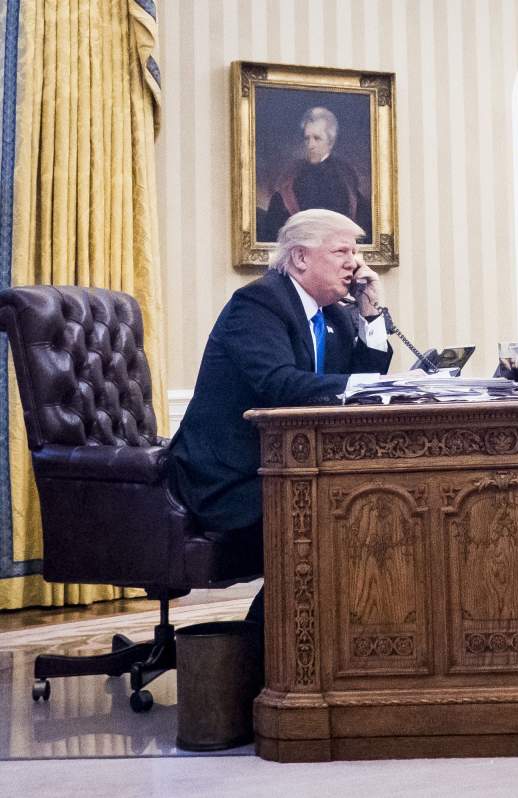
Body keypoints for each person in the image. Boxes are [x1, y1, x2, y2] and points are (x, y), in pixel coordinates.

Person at [168, 209, 394, 622]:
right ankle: (271, 651)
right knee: (337, 520)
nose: (356, 263)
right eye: (342, 250)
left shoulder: (335, 315)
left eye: (356, 251)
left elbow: (365, 379)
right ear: (301, 258)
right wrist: (364, 387)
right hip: (230, 479)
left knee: (369, 508)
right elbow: (280, 385)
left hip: (287, 470)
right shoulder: (258, 302)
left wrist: (370, 313)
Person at [258, 107, 372, 243]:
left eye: (317, 138)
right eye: (307, 138)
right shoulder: (292, 175)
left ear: (330, 142)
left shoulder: (346, 179)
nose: (310, 145)